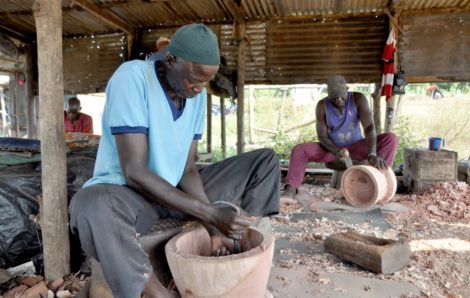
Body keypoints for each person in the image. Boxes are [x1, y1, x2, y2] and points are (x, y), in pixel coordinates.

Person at [69, 23, 280, 298]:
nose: (198, 89)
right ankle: (156, 293)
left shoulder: (197, 94)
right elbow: (134, 171)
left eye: (206, 81)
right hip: (130, 195)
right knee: (91, 205)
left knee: (265, 160)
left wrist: (214, 229)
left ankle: (242, 246)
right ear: (170, 60)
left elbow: (187, 167)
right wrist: (210, 213)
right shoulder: (132, 78)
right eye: (194, 79)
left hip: (176, 192)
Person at [281, 75, 399, 205]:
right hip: (332, 150)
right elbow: (322, 136)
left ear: (347, 89)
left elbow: (370, 127)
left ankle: (381, 184)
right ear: (328, 95)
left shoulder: (358, 99)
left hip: (357, 146)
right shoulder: (322, 106)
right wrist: (336, 151)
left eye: (341, 96)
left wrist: (372, 154)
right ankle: (290, 192)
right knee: (300, 150)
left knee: (391, 139)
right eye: (334, 97)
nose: (338, 99)